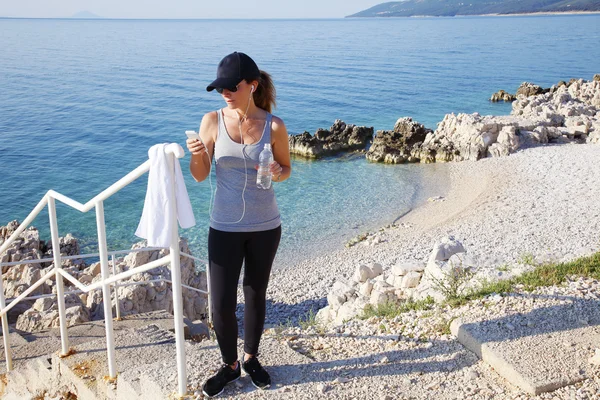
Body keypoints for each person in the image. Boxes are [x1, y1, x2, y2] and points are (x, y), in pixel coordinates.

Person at [186, 51, 291, 398]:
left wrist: (279, 171)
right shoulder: (212, 121)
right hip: (224, 226)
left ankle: (251, 359)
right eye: (220, 88)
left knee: (255, 293)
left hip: (265, 225)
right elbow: (200, 177)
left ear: (252, 85)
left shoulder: (274, 126)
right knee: (220, 303)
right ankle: (230, 365)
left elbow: (286, 169)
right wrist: (197, 154)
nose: (226, 93)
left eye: (232, 86)